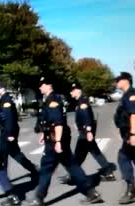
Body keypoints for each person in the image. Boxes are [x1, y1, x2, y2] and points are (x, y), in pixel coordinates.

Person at [25, 77, 103, 206]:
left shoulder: (53, 102)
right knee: (72, 167)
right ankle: (91, 193)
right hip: (55, 138)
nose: (40, 88)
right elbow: (50, 123)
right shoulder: (52, 100)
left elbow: (58, 123)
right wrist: (44, 135)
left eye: (41, 85)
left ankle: (39, 198)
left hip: (56, 140)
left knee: (46, 168)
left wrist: (58, 141)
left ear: (48, 86)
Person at [58, 82, 116, 185]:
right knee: (94, 153)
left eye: (72, 90)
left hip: (85, 134)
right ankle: (108, 173)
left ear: (78, 90)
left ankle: (73, 175)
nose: (71, 92)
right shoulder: (81, 102)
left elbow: (87, 118)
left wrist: (88, 131)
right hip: (85, 133)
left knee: (78, 156)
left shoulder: (82, 103)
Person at [0, 82, 39, 180]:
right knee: (12, 153)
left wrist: (10, 133)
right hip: (5, 130)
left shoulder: (6, 102)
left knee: (6, 153)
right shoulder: (3, 100)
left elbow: (9, 119)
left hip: (7, 132)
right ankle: (32, 168)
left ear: (2, 89)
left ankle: (3, 176)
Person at [113, 72, 135, 204]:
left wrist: (133, 134)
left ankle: (131, 190)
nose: (117, 82)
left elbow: (134, 115)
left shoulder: (131, 95)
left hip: (131, 134)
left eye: (119, 80)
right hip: (128, 134)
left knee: (123, 158)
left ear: (126, 80)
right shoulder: (127, 95)